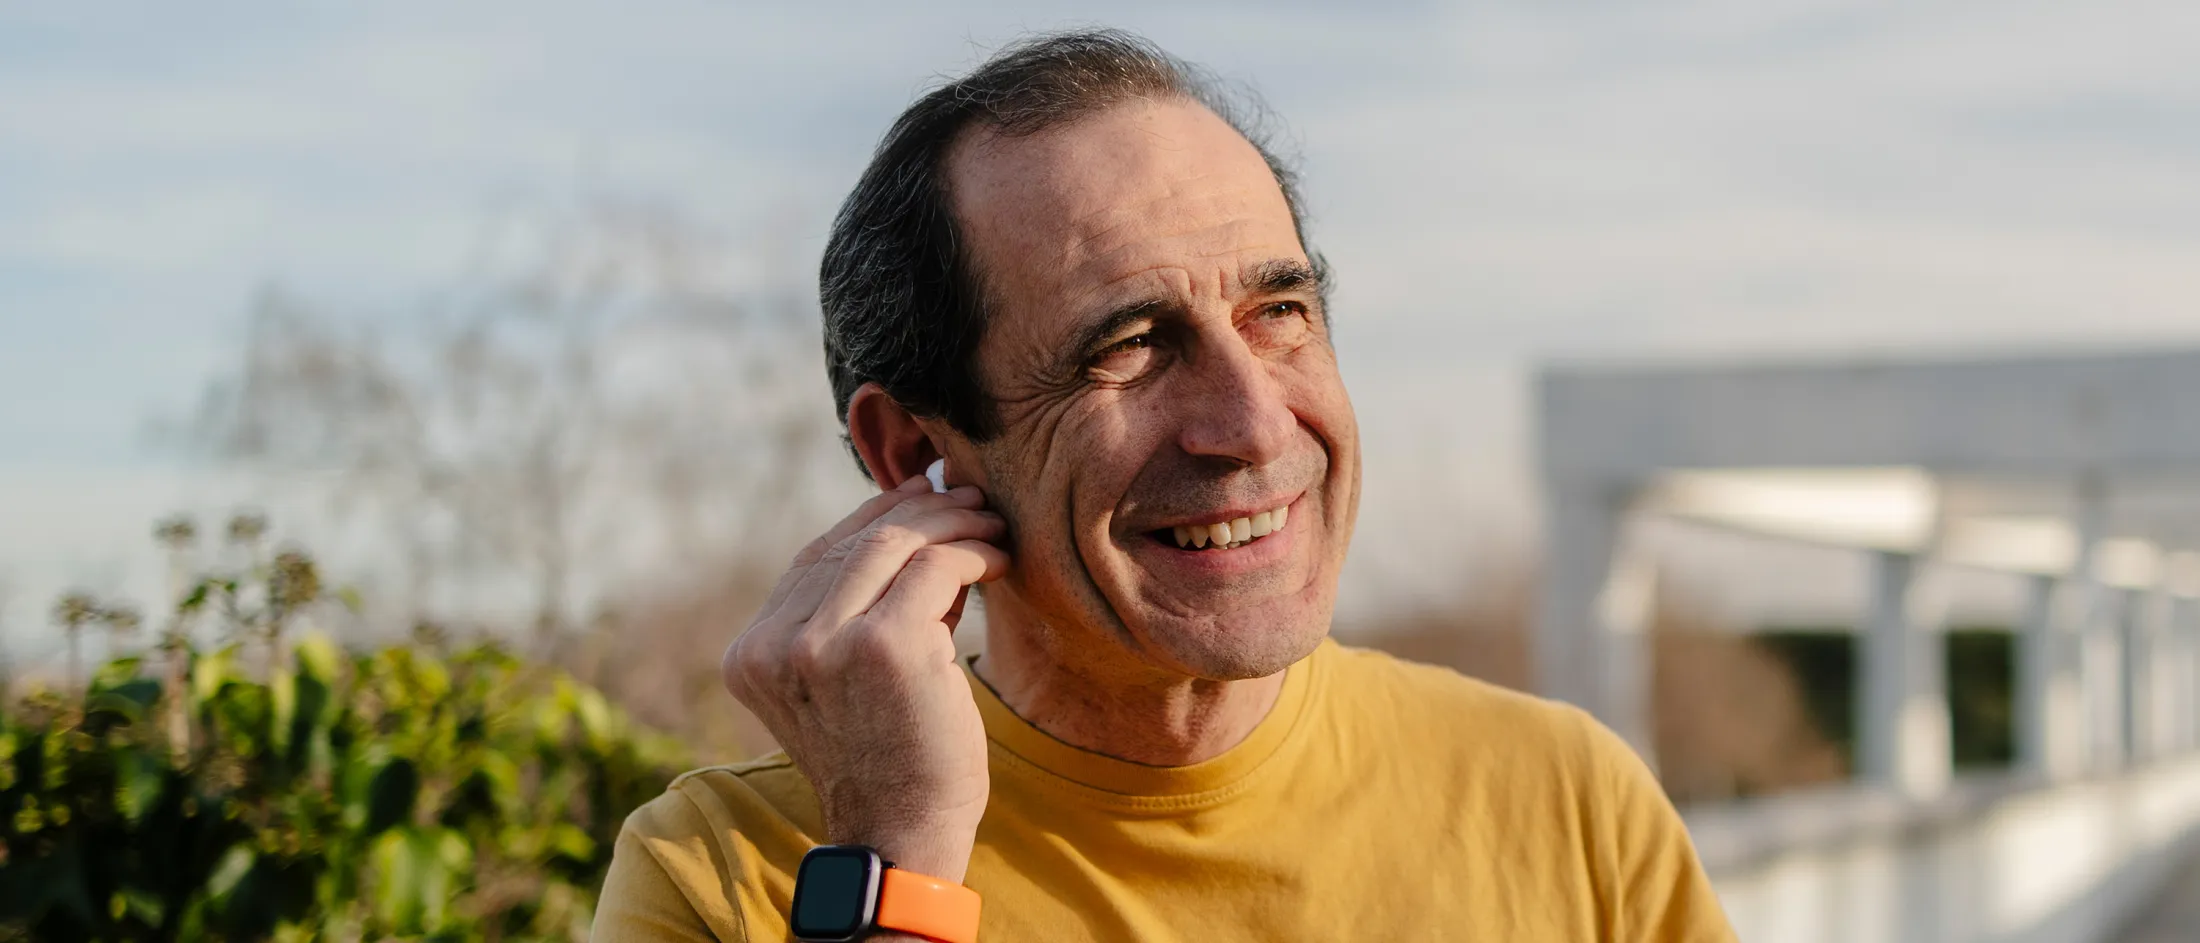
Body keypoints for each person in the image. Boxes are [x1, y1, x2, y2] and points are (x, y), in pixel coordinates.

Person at [594, 28, 1735, 943]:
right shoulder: (727, 874)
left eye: (1278, 312)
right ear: (911, 453)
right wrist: (897, 860)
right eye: (1131, 344)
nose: (1254, 423)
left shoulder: (1566, 802)